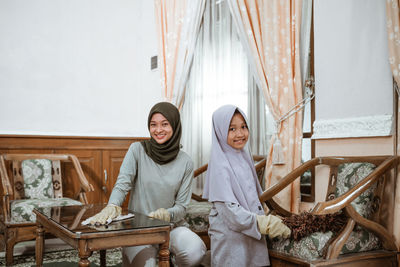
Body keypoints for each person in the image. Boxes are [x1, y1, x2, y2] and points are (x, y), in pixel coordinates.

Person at [89, 102, 206, 267]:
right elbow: (122, 184)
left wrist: (167, 214)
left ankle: (170, 260)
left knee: (195, 251)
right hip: (139, 229)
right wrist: (113, 205)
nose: (158, 130)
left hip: (170, 228)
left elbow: (181, 206)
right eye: (153, 125)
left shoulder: (185, 161)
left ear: (175, 125)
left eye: (165, 124)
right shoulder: (137, 150)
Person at [202, 105, 291, 267]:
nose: (240, 134)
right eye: (232, 129)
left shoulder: (244, 156)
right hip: (231, 238)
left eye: (244, 127)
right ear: (220, 132)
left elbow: (253, 196)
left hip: (250, 232)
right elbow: (229, 212)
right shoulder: (219, 166)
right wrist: (262, 223)